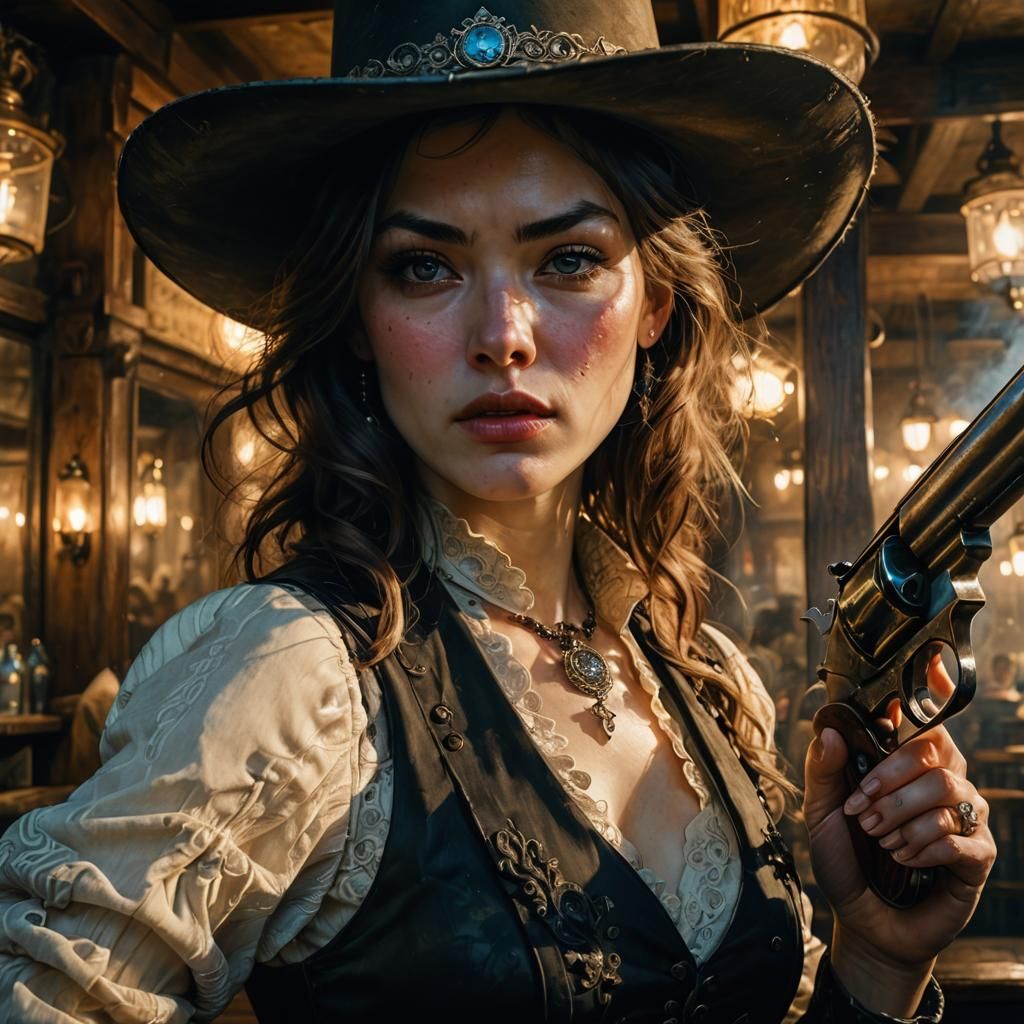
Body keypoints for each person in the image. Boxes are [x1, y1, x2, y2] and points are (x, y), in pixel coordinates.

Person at [0, 3, 994, 1022]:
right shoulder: (293, 674)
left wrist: (874, 962)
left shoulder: (707, 677)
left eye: (566, 259)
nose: (502, 335)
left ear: (653, 304)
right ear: (356, 319)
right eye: (423, 266)